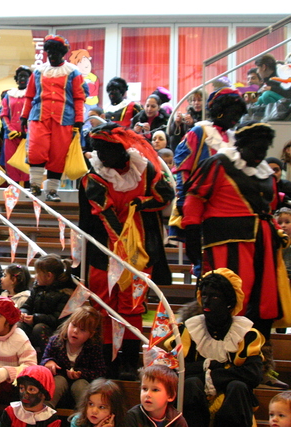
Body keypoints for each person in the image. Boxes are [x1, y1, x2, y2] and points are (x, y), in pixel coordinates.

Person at [79, 123, 174, 379]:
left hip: (140, 253)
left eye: (107, 151)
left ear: (122, 150)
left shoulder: (145, 168)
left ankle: (131, 361)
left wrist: (140, 204)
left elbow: (167, 192)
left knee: (133, 307)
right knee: (104, 307)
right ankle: (107, 363)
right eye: (98, 151)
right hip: (104, 255)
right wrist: (117, 247)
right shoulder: (93, 177)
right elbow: (103, 215)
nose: (102, 156)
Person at [182, 122, 289, 339]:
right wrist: (192, 238)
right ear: (241, 146)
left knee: (263, 301)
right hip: (227, 242)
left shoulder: (265, 172)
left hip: (263, 242)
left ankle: (256, 357)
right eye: (255, 149)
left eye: (263, 150)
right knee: (230, 299)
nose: (259, 155)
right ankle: (220, 359)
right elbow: (194, 201)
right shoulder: (218, 164)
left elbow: (268, 207)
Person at [165, 269, 264, 427]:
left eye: (215, 296)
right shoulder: (189, 330)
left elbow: (253, 374)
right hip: (196, 400)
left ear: (229, 302)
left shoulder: (246, 334)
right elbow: (177, 370)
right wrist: (213, 367)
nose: (207, 301)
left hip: (232, 400)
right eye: (204, 295)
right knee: (190, 384)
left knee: (237, 387)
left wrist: (213, 376)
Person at [171, 87, 247, 243]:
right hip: (200, 203)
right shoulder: (200, 132)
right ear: (220, 110)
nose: (235, 118)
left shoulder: (233, 137)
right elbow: (183, 168)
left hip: (226, 207)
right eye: (233, 112)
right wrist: (182, 202)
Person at [21, 34, 86, 202]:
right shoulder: (38, 72)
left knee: (58, 154)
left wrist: (79, 120)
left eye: (55, 52)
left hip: (65, 119)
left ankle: (51, 190)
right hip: (39, 117)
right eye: (49, 52)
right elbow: (29, 96)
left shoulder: (73, 72)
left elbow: (79, 98)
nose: (51, 55)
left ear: (62, 53)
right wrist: (24, 116)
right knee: (36, 150)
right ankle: (34, 186)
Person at [41, 306, 107, 410]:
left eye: (82, 330)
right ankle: (45, 413)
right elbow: (45, 359)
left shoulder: (93, 348)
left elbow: (100, 372)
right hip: (60, 379)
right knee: (58, 381)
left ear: (91, 334)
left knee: (80, 385)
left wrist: (81, 373)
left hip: (80, 382)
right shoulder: (56, 341)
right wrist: (49, 362)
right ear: (68, 324)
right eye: (74, 325)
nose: (75, 331)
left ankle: (84, 415)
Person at [20, 254, 76, 357]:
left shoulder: (64, 294)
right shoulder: (37, 289)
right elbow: (27, 305)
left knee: (39, 328)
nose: (35, 276)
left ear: (49, 275)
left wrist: (36, 318)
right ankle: (20, 356)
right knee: (19, 325)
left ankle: (48, 358)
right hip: (36, 323)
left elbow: (58, 320)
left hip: (54, 331)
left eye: (38, 273)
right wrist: (23, 313)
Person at [1, 65, 32, 184]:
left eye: (25, 76)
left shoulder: (33, 95)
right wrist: (10, 130)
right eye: (20, 76)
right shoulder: (9, 95)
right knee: (11, 164)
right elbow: (4, 114)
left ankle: (27, 194)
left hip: (28, 137)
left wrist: (28, 131)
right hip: (11, 136)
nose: (22, 78)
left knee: (27, 164)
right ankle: (13, 194)